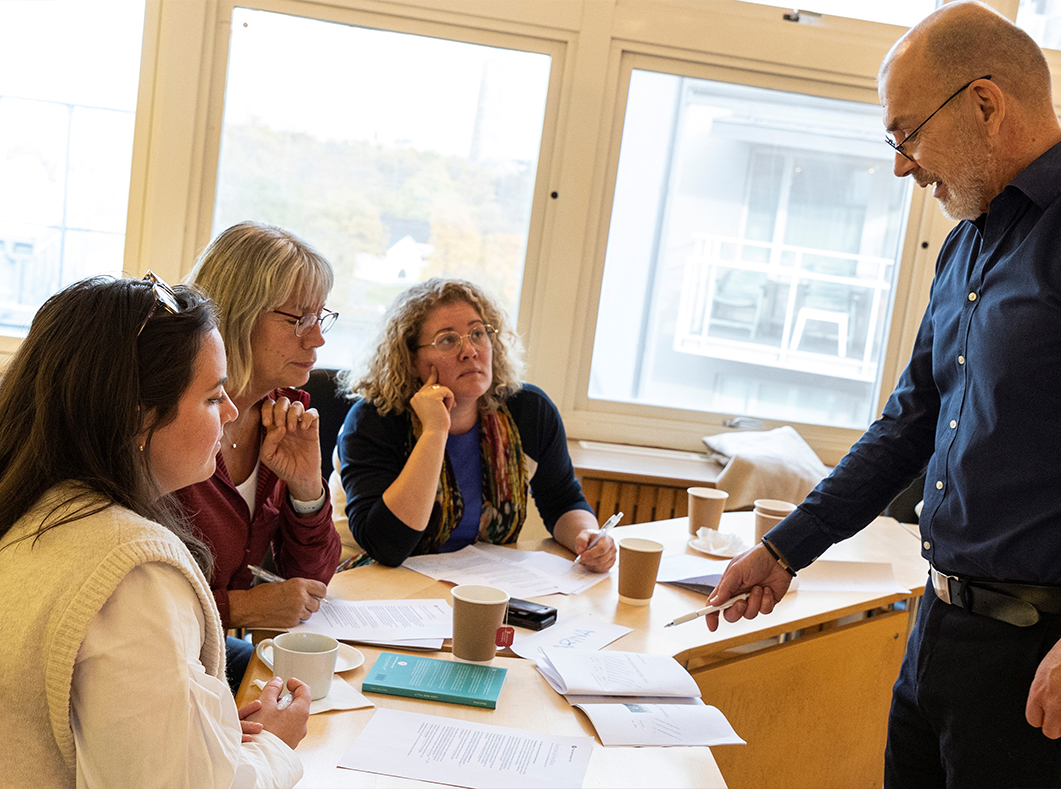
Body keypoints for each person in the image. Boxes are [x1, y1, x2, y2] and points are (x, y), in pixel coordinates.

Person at [706, 2, 1061, 786]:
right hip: (935, 630)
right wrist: (784, 547)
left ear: (984, 103)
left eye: (906, 134)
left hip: (1046, 652)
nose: (902, 165)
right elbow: (908, 426)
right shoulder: (966, 247)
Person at [0, 275, 309, 787]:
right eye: (212, 398)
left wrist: (204, 733)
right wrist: (274, 748)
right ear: (138, 418)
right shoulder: (133, 576)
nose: (231, 412)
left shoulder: (35, 507)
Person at [337, 278, 615, 572]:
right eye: (447, 339)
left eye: (478, 333)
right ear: (411, 359)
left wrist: (588, 537)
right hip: (370, 580)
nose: (469, 350)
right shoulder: (373, 420)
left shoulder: (527, 410)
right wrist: (433, 432)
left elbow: (562, 499)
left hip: (477, 580)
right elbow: (387, 546)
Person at [178, 221, 341, 692]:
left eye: (321, 318)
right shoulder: (171, 420)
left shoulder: (285, 410)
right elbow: (127, 588)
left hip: (205, 654)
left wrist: (308, 489)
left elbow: (310, 583)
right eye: (299, 320)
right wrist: (244, 608)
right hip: (157, 658)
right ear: (237, 314)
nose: (317, 341)